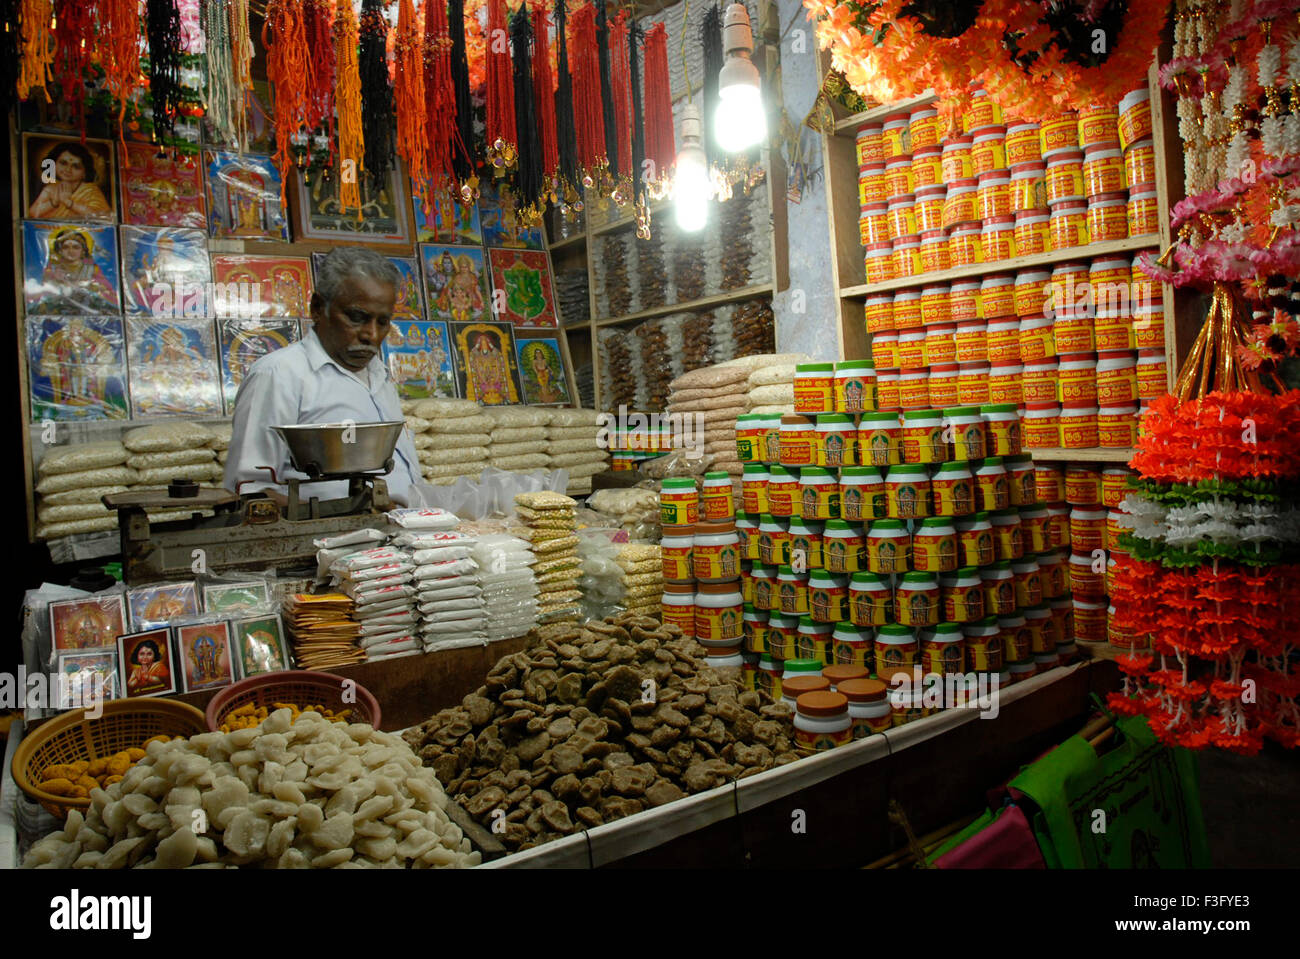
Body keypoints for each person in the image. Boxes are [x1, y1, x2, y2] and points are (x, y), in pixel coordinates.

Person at [223, 247, 423, 505]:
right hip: (329, 541)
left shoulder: (378, 375)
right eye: (357, 317)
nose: (371, 335)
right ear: (318, 308)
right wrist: (346, 517)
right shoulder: (279, 374)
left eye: (383, 322)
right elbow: (250, 490)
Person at [27, 142, 112, 219]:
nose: (68, 169)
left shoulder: (90, 191)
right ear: (54, 164)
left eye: (76, 166)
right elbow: (33, 213)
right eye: (63, 163)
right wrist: (54, 202)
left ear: (85, 172)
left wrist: (69, 203)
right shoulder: (50, 189)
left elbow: (101, 216)